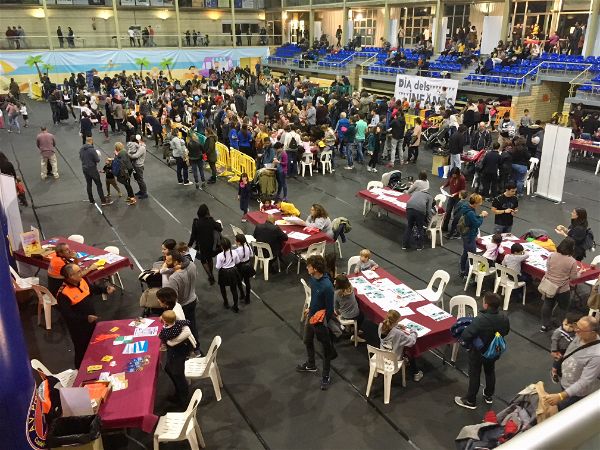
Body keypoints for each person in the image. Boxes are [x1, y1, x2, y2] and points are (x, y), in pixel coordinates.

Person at [455, 292, 510, 409]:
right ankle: (489, 395)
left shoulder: (480, 319)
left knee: (475, 374)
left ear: (486, 305)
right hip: (494, 351)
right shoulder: (504, 317)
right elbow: (506, 331)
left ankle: (470, 401)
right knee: (490, 371)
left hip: (478, 352)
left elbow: (466, 335)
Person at [56, 263, 115, 367]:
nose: (81, 273)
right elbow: (68, 315)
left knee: (95, 343)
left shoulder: (81, 281)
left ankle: (97, 364)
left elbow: (91, 289)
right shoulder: (63, 294)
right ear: (70, 276)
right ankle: (79, 370)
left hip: (91, 321)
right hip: (78, 328)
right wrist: (85, 318)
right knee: (81, 349)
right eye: (78, 272)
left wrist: (104, 290)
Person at [296, 255, 337, 391]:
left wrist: (323, 320)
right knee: (307, 340)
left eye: (308, 266)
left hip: (320, 323)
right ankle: (311, 364)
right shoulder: (313, 279)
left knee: (326, 350)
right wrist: (310, 308)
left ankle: (326, 375)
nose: (307, 268)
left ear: (315, 268)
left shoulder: (327, 286)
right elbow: (314, 296)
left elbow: (330, 309)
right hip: (311, 316)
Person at [544, 316, 600, 411]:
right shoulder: (580, 335)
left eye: (580, 330)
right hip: (566, 382)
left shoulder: (596, 355)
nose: (575, 331)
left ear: (593, 333)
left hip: (576, 393)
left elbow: (585, 381)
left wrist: (561, 396)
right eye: (576, 326)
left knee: (564, 411)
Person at [541, 238, 580, 332]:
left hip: (549, 285)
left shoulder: (552, 255)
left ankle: (545, 325)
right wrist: (580, 273)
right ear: (572, 248)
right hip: (562, 289)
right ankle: (559, 324)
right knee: (563, 307)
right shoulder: (572, 261)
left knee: (547, 304)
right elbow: (574, 277)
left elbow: (548, 267)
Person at [159, 310, 196, 407]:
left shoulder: (169, 331)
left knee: (177, 375)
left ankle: (183, 399)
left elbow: (163, 337)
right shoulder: (178, 323)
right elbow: (187, 322)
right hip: (176, 352)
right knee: (169, 369)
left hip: (177, 353)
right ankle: (178, 392)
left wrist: (168, 342)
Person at [163, 250, 199, 346]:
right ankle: (196, 347)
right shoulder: (192, 265)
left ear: (176, 262)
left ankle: (190, 348)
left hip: (183, 306)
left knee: (182, 330)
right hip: (193, 299)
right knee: (193, 325)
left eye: (168, 261)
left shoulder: (174, 278)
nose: (166, 263)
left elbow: (174, 297)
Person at [378, 309, 423, 382]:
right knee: (409, 351)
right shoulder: (398, 334)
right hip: (394, 359)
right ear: (396, 321)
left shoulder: (381, 326)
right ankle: (416, 373)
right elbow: (411, 342)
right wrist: (413, 331)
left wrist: (396, 326)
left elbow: (390, 330)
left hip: (382, 355)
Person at [188, 204, 223, 285]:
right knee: (210, 259)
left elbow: (193, 235)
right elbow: (220, 229)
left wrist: (189, 245)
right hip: (211, 244)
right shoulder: (211, 220)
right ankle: (211, 273)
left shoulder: (196, 222)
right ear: (207, 212)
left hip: (201, 245)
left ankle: (210, 276)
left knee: (203, 260)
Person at [459, 194, 488, 277]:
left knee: (465, 252)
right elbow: (476, 223)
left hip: (465, 234)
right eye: (480, 202)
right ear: (476, 203)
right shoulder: (470, 212)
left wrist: (478, 216)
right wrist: (482, 216)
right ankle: (467, 274)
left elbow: (473, 219)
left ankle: (462, 269)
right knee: (472, 256)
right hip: (469, 235)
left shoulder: (466, 207)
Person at [80, 137, 112, 206]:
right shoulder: (92, 150)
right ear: (91, 141)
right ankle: (103, 201)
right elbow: (97, 160)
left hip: (85, 169)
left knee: (89, 184)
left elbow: (81, 158)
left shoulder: (81, 149)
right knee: (98, 184)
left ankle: (91, 200)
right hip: (92, 169)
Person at [549, 313, 580, 383]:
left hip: (569, 350)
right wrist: (554, 350)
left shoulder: (576, 332)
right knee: (558, 361)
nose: (568, 328)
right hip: (560, 350)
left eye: (571, 326)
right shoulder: (558, 331)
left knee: (566, 361)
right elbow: (554, 340)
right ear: (563, 322)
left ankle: (562, 370)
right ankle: (554, 372)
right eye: (566, 325)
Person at [334, 274, 365, 343]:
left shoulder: (336, 293)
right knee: (362, 315)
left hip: (345, 314)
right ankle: (355, 332)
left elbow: (336, 307)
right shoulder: (351, 288)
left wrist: (339, 313)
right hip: (355, 314)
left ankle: (351, 329)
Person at [402, 185, 433, 251]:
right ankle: (419, 246)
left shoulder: (416, 193)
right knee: (420, 228)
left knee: (409, 226)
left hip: (409, 208)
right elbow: (428, 209)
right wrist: (429, 219)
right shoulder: (430, 197)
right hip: (420, 211)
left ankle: (404, 245)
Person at [215, 237, 242, 312]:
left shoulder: (220, 255)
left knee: (222, 288)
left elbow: (218, 267)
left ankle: (226, 302)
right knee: (234, 289)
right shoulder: (234, 252)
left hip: (224, 272)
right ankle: (236, 305)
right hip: (233, 271)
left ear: (222, 246)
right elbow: (238, 262)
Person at [441, 168, 466, 233]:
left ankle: (454, 229)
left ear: (457, 174)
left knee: (456, 213)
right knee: (448, 211)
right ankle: (445, 227)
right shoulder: (452, 177)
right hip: (451, 196)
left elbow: (463, 190)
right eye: (452, 175)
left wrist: (456, 193)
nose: (453, 176)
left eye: (454, 175)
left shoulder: (462, 179)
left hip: (457, 198)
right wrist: (444, 186)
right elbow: (449, 181)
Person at [234, 234, 256, 305]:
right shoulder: (248, 246)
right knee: (247, 282)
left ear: (239, 242)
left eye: (236, 240)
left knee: (238, 281)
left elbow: (236, 261)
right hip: (248, 265)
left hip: (240, 267)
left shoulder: (237, 250)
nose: (235, 241)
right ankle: (248, 297)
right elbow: (251, 255)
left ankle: (242, 293)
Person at [126, 134, 148, 199]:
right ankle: (141, 191)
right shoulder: (139, 146)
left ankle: (144, 193)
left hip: (139, 166)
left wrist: (128, 154)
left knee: (140, 179)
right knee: (137, 179)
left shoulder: (142, 148)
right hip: (135, 165)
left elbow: (135, 156)